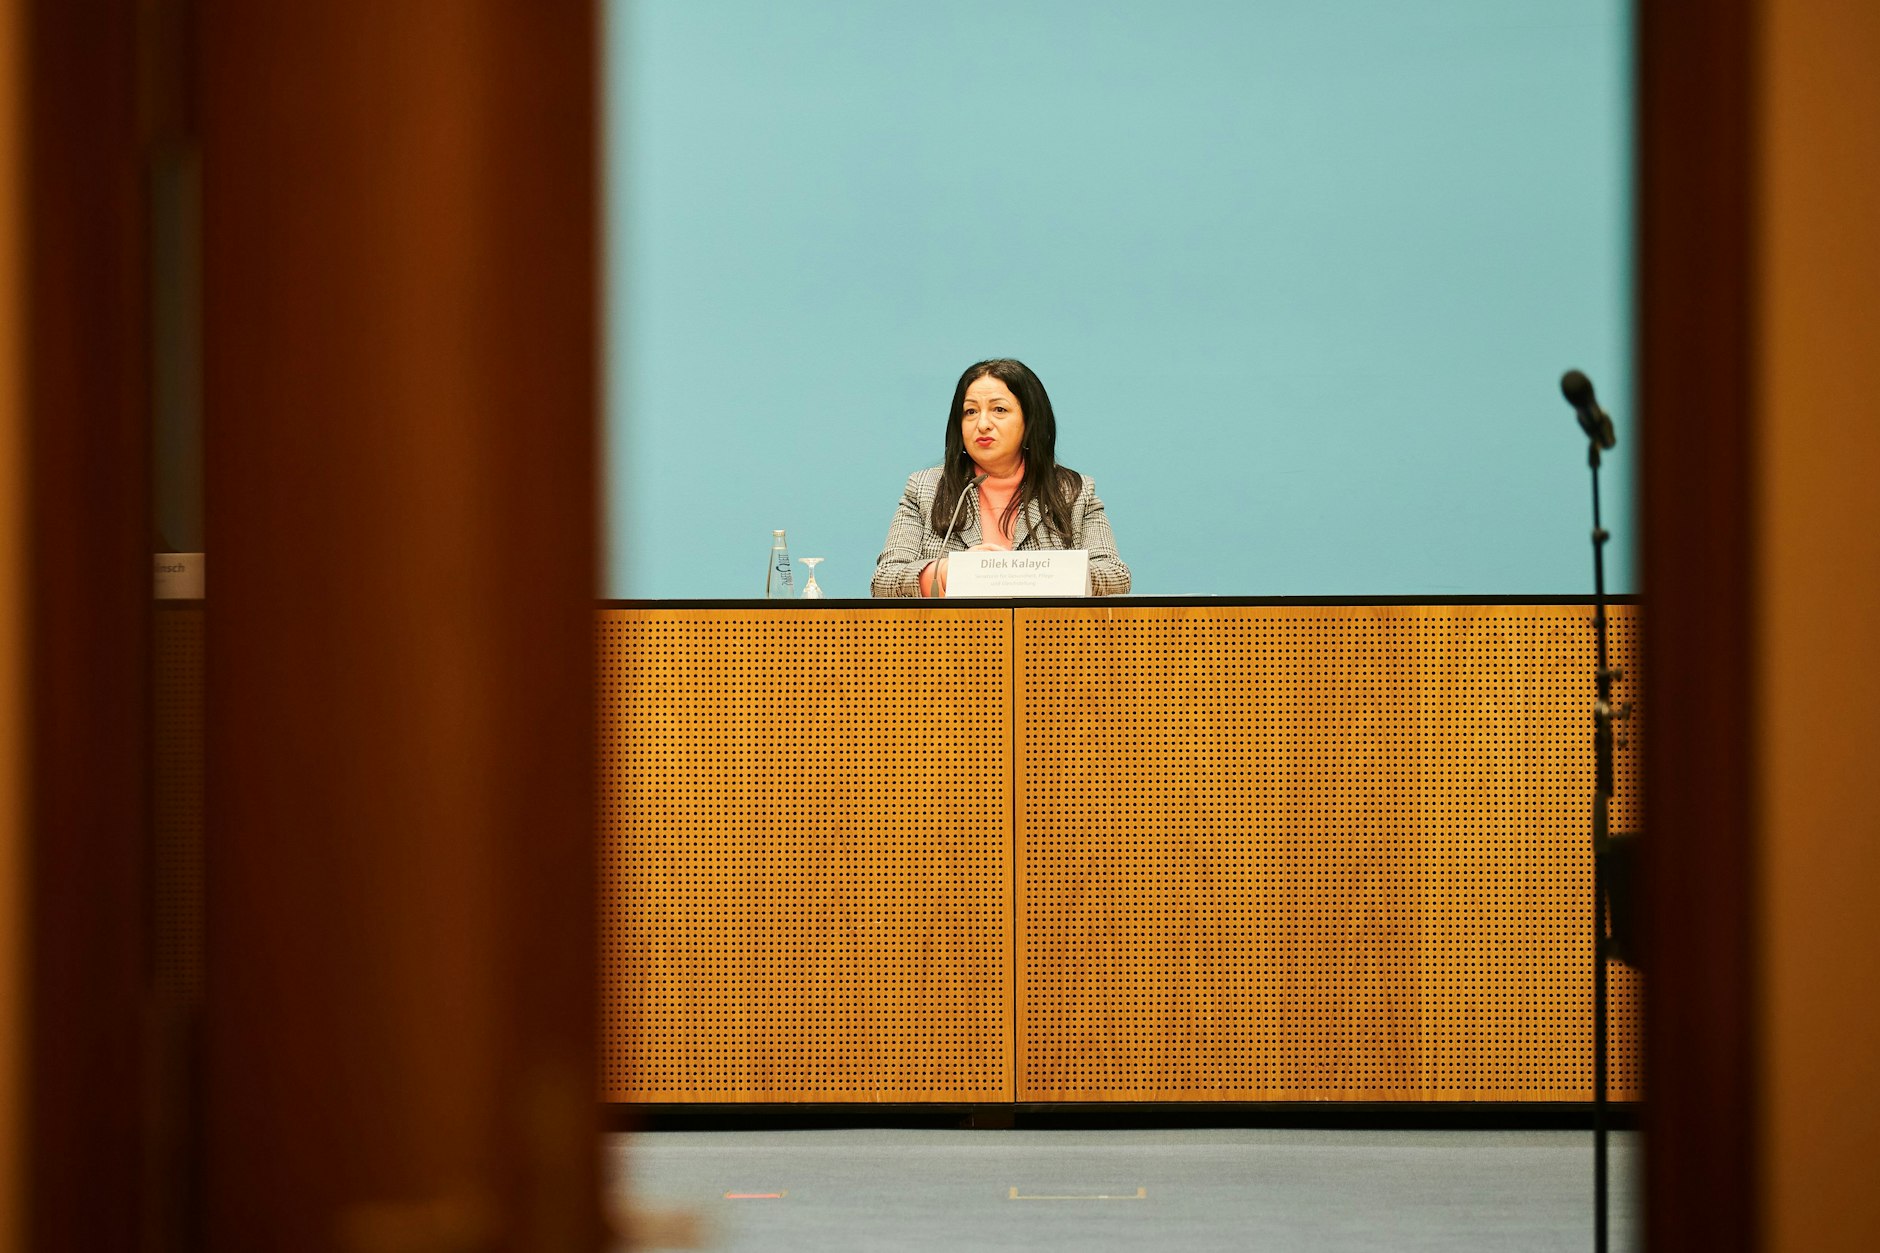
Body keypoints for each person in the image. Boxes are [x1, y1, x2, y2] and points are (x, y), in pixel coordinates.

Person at [872, 358, 1130, 597]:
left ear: (1029, 421)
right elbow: (884, 580)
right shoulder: (925, 488)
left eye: (999, 409)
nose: (982, 423)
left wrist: (1026, 573)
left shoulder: (1072, 491)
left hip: (1044, 640)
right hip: (951, 640)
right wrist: (946, 572)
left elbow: (1116, 576)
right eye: (970, 412)